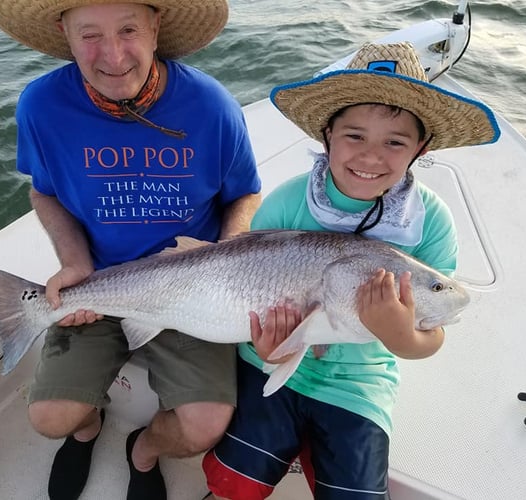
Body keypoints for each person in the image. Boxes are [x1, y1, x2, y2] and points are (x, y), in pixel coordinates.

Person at [0, 1, 261, 499]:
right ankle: (88, 428)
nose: (112, 54)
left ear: (155, 28)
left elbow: (244, 193)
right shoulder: (41, 106)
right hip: (101, 283)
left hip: (196, 288)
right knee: (49, 418)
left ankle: (143, 449)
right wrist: (74, 262)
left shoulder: (213, 107)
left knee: (203, 428)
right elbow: (43, 189)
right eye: (90, 34)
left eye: (128, 29)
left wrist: (231, 256)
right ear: (63, 33)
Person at [202, 42, 500, 499]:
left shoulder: (431, 222)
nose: (370, 157)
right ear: (327, 134)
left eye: (395, 142)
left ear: (420, 147)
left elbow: (431, 338)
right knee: (232, 484)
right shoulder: (286, 202)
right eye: (354, 136)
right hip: (266, 362)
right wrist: (268, 346)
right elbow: (241, 289)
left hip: (357, 384)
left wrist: (398, 333)